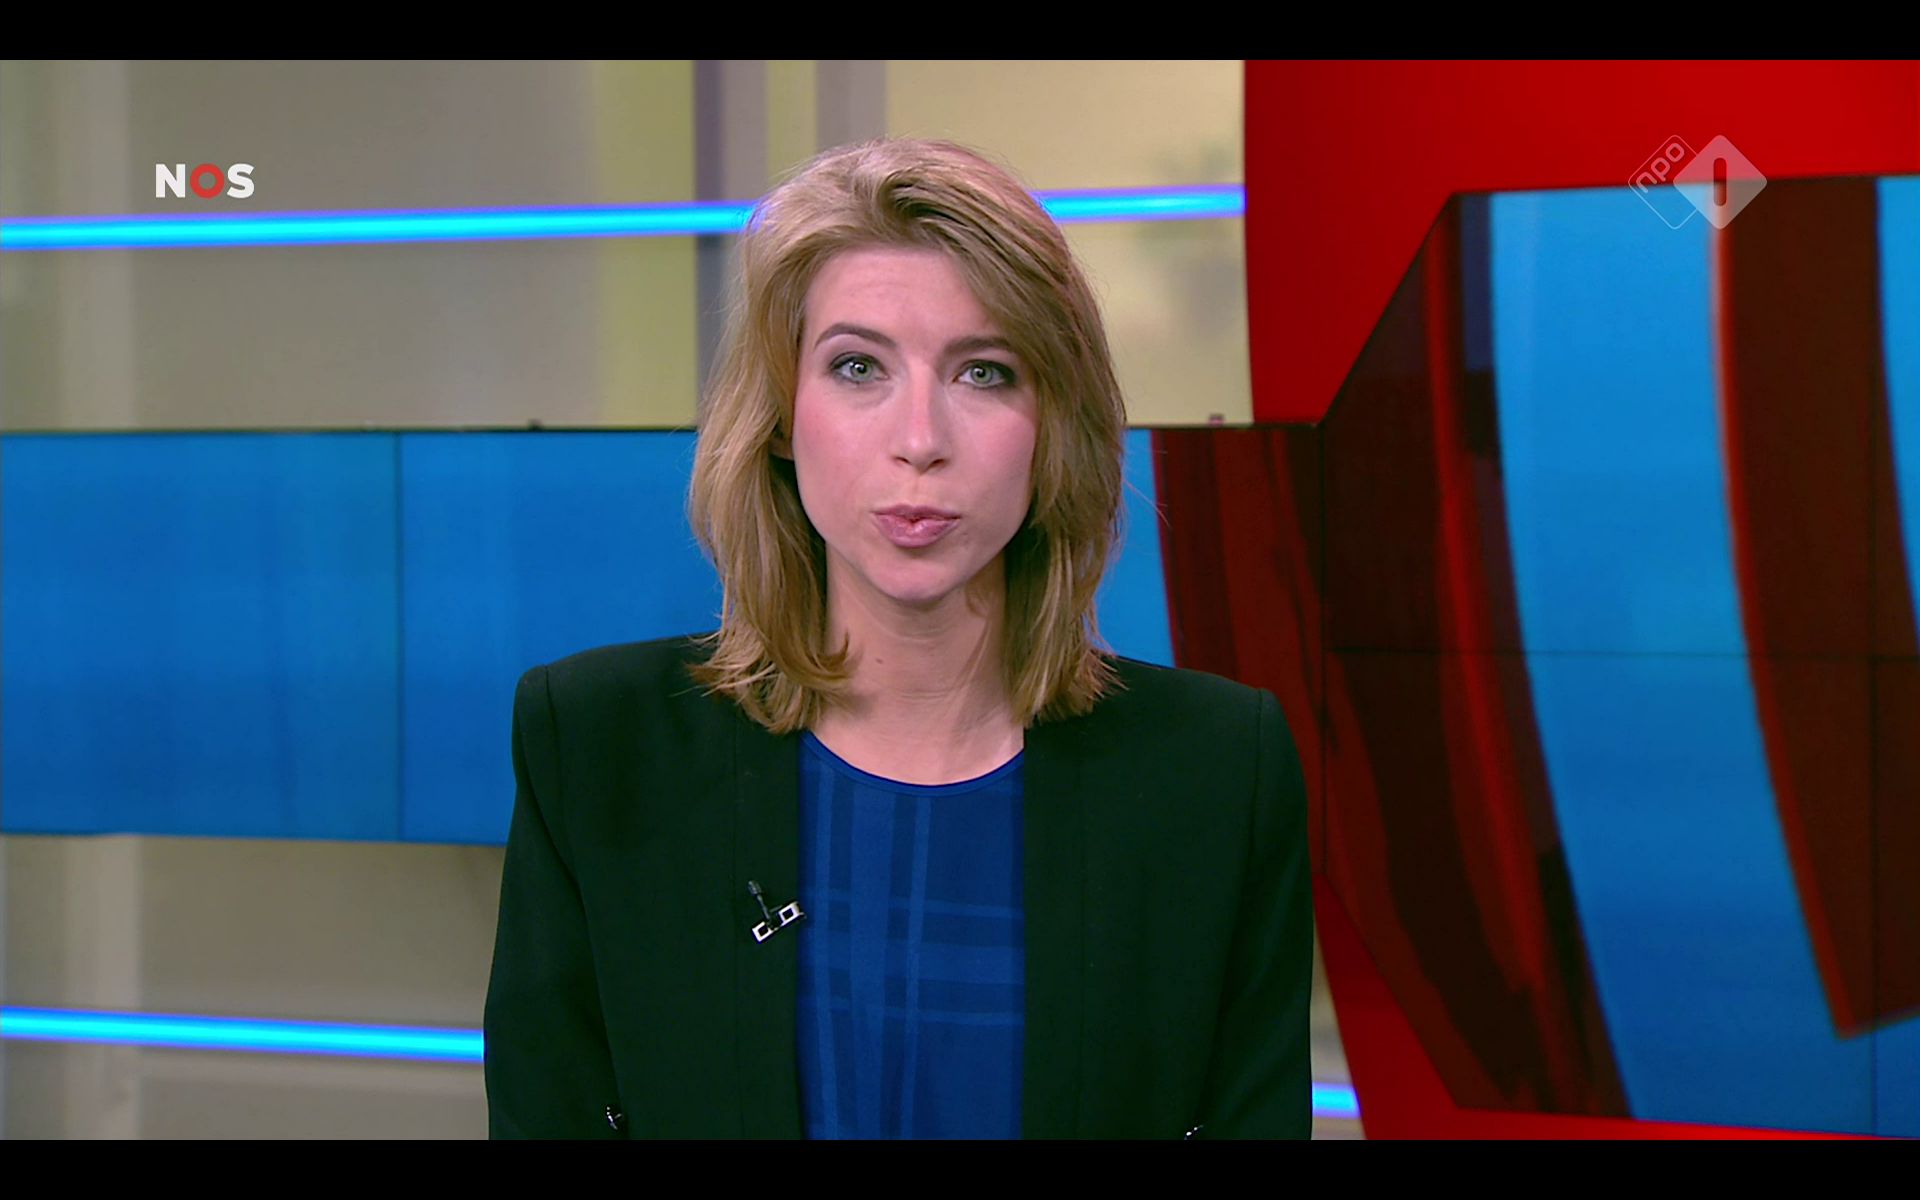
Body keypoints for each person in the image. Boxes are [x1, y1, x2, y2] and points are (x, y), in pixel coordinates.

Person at [482, 137, 1312, 1139]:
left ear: (1053, 423)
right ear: (781, 416)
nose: (920, 439)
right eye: (858, 366)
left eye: (985, 372)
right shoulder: (597, 746)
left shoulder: (1218, 774)